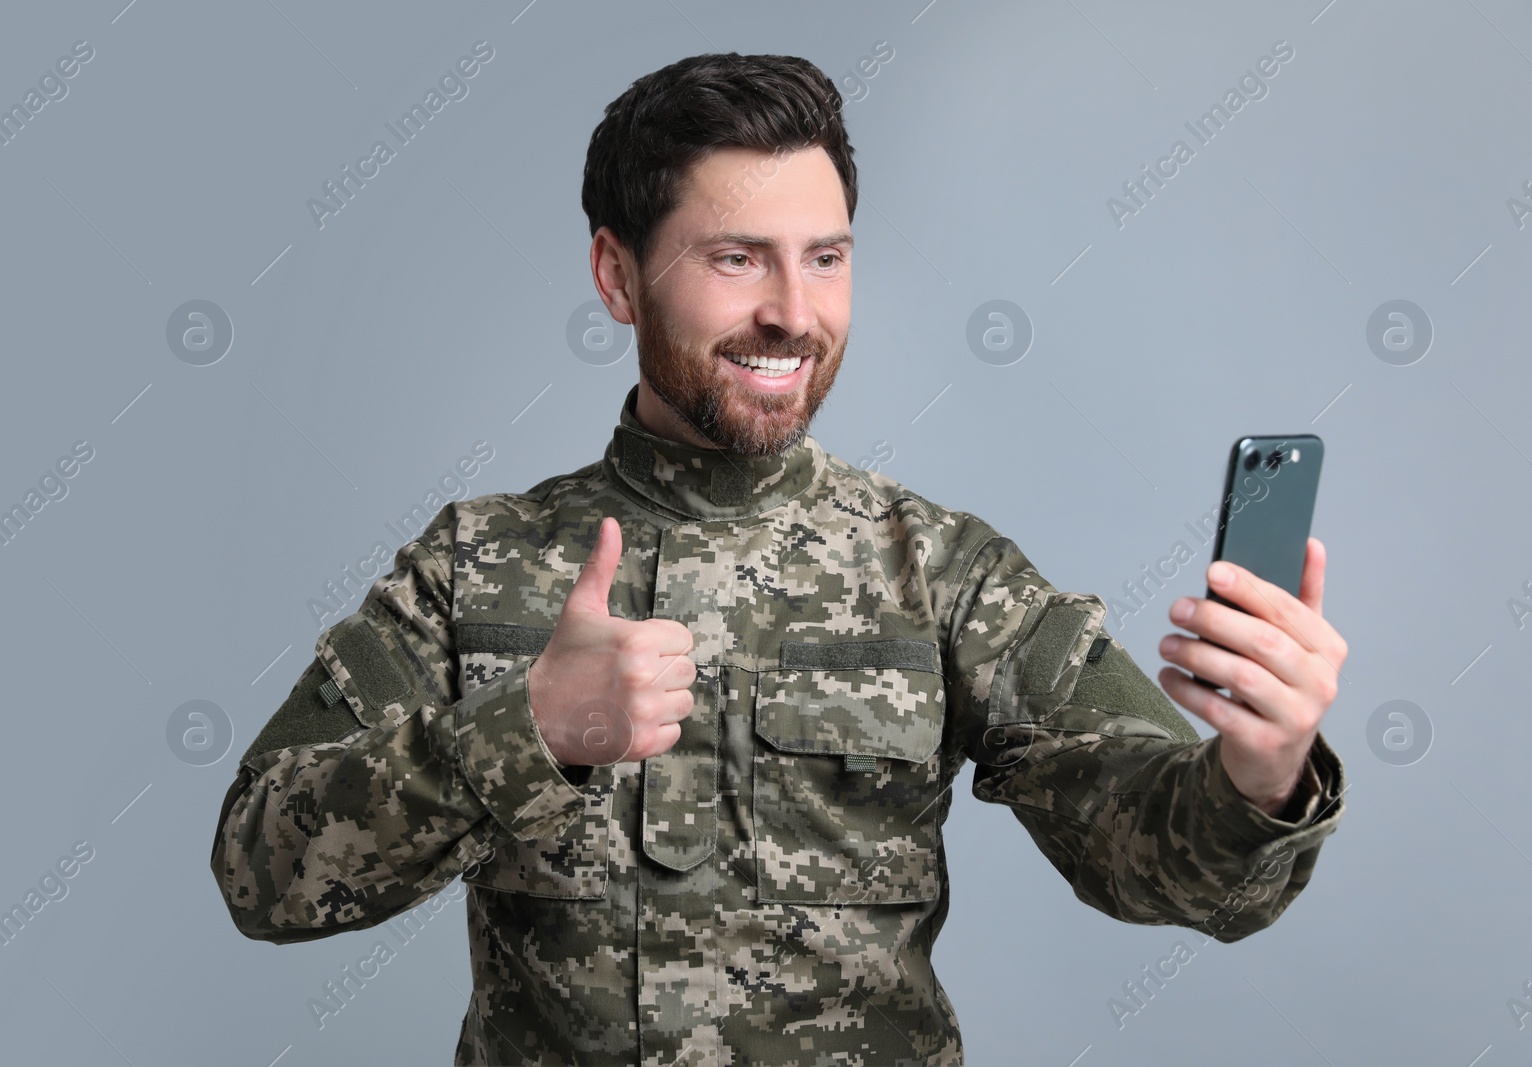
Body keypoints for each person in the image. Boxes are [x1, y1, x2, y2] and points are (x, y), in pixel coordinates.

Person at [210, 52, 1348, 1066]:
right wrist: (525, 729)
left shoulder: (943, 569)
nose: (793, 313)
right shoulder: (476, 561)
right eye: (737, 258)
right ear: (617, 275)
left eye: (826, 257)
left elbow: (1175, 868)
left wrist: (1261, 770)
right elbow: (263, 872)